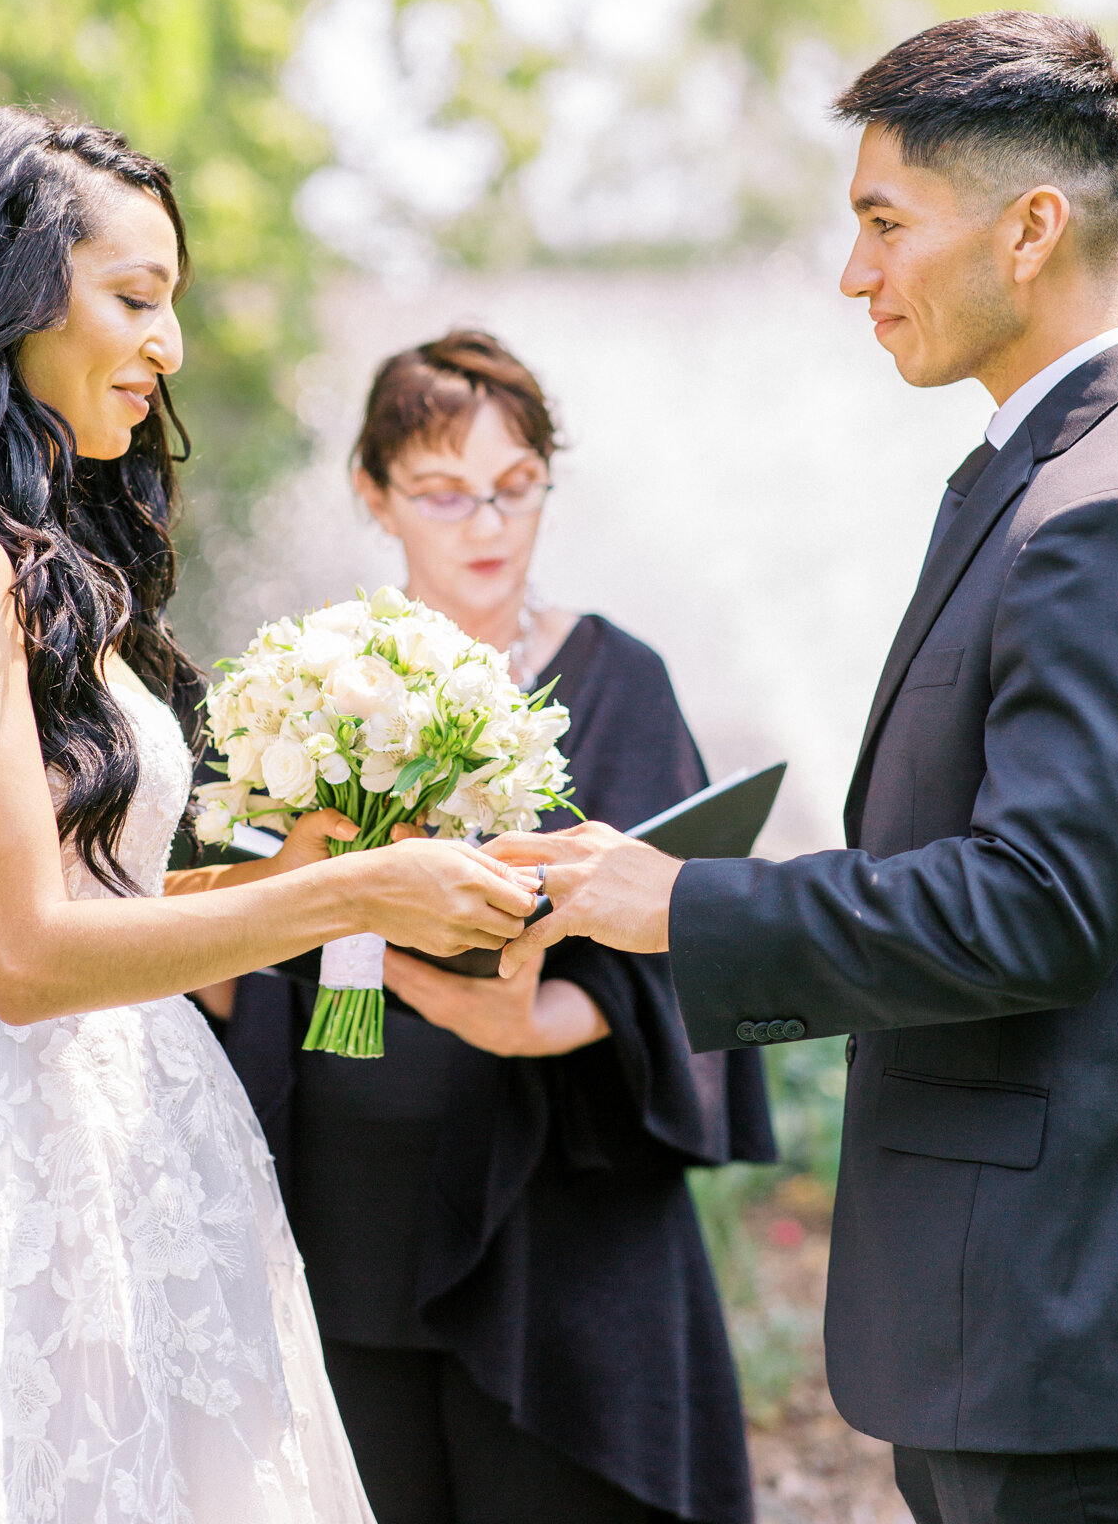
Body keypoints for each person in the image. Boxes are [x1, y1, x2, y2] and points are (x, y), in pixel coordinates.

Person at [495, 14, 1118, 1524]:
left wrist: (684, 907)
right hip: (1017, 1324)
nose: (854, 274)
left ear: (1028, 230)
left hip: (1068, 1325)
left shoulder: (1110, 509)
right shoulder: (1062, 477)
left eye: (884, 224)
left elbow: (1037, 907)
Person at [0, 110, 538, 1524]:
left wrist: (290, 873)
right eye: (135, 299)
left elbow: (89, 908)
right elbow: (23, 958)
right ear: (5, 292)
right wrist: (354, 900)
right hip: (15, 1171)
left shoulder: (39, 557)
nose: (167, 348)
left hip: (147, 1142)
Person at [205, 330, 775, 1524]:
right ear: (374, 493)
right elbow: (227, 932)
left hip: (550, 1211)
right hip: (339, 1200)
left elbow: (676, 949)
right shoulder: (306, 687)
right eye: (444, 490)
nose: (487, 522)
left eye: (517, 488)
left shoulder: (621, 677)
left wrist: (530, 1021)